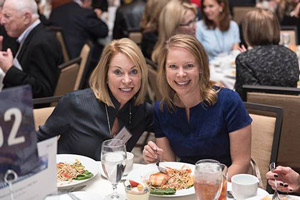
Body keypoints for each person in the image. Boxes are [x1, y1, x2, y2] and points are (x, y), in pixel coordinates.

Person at [143, 34, 252, 180]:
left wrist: (211, 188)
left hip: (225, 183)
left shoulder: (228, 101)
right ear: (165, 70)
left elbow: (241, 163)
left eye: (189, 66)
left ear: (201, 68)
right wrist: (155, 157)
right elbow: (169, 164)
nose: (181, 74)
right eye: (173, 66)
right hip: (186, 185)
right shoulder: (162, 109)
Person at [37, 38, 153, 161]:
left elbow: (170, 124)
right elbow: (38, 141)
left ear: (142, 75)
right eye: (118, 72)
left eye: (134, 71)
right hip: (66, 177)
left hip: (111, 179)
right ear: (105, 75)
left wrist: (153, 152)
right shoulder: (75, 104)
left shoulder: (142, 111)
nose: (127, 80)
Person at [0, 0, 63, 98]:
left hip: (30, 108)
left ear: (26, 18)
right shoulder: (29, 35)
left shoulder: (41, 43)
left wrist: (9, 69)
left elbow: (42, 91)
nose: (2, 21)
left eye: (7, 16)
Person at [235, 8, 299, 99]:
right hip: (290, 110)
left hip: (259, 112)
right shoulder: (291, 55)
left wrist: (248, 56)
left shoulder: (244, 60)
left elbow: (244, 97)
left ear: (248, 32)